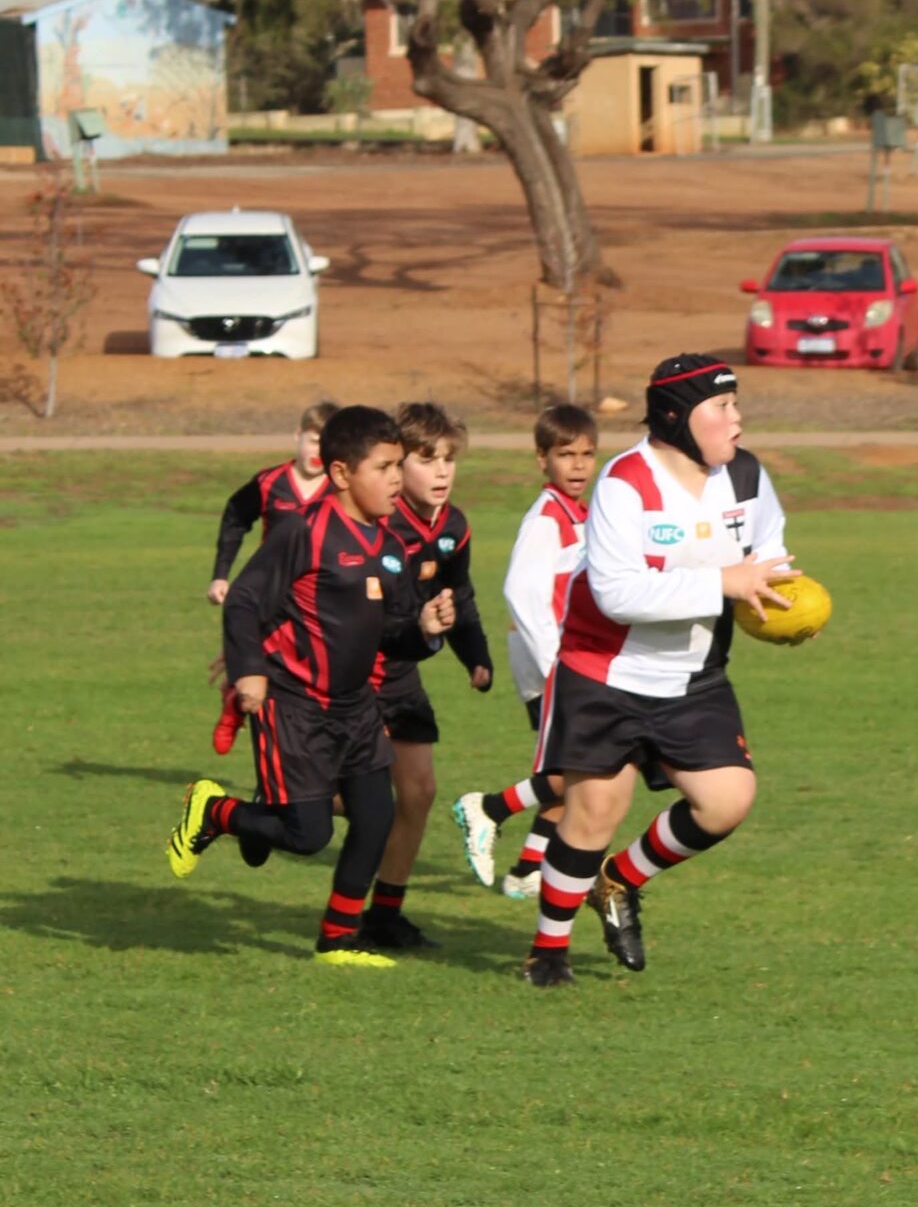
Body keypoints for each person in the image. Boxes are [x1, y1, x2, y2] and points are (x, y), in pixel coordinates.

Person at [521, 355, 796, 988]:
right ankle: (547, 954)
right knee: (592, 814)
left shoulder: (746, 476)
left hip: (694, 677)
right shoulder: (625, 483)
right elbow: (617, 594)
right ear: (676, 417)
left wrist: (789, 599)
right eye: (721, 407)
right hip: (604, 673)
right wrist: (724, 581)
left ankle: (619, 881)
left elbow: (768, 554)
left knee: (727, 801)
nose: (737, 418)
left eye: (735, 404)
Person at [165, 405, 455, 968]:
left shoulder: (388, 544)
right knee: (307, 835)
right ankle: (214, 812)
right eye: (383, 468)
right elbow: (246, 599)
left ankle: (337, 940)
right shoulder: (305, 530)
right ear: (342, 473)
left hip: (357, 707)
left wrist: (425, 629)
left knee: (376, 817)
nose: (397, 479)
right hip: (295, 705)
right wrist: (249, 668)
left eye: (399, 466)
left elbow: (390, 634)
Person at [452, 403, 597, 899]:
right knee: (582, 769)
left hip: (567, 659)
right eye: (565, 454)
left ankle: (527, 871)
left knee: (574, 770)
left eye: (586, 454)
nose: (577, 465)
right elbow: (520, 591)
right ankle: (488, 808)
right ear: (542, 459)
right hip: (549, 662)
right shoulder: (546, 519)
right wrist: (557, 662)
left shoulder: (579, 514)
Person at [363, 401, 494, 951]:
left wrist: (475, 655)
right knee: (352, 801)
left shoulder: (453, 527)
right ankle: (240, 815)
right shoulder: (377, 524)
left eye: (448, 459)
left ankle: (385, 914)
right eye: (427, 459)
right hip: (355, 677)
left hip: (402, 676)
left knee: (418, 792)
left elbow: (458, 595)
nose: (442, 472)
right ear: (398, 464)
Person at [207, 400, 340, 753]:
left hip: (319, 597)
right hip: (272, 594)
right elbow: (235, 517)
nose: (318, 452)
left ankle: (238, 696)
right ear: (298, 435)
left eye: (327, 445)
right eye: (314, 441)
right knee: (263, 667)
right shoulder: (269, 483)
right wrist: (221, 575)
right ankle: (238, 703)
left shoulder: (341, 490)